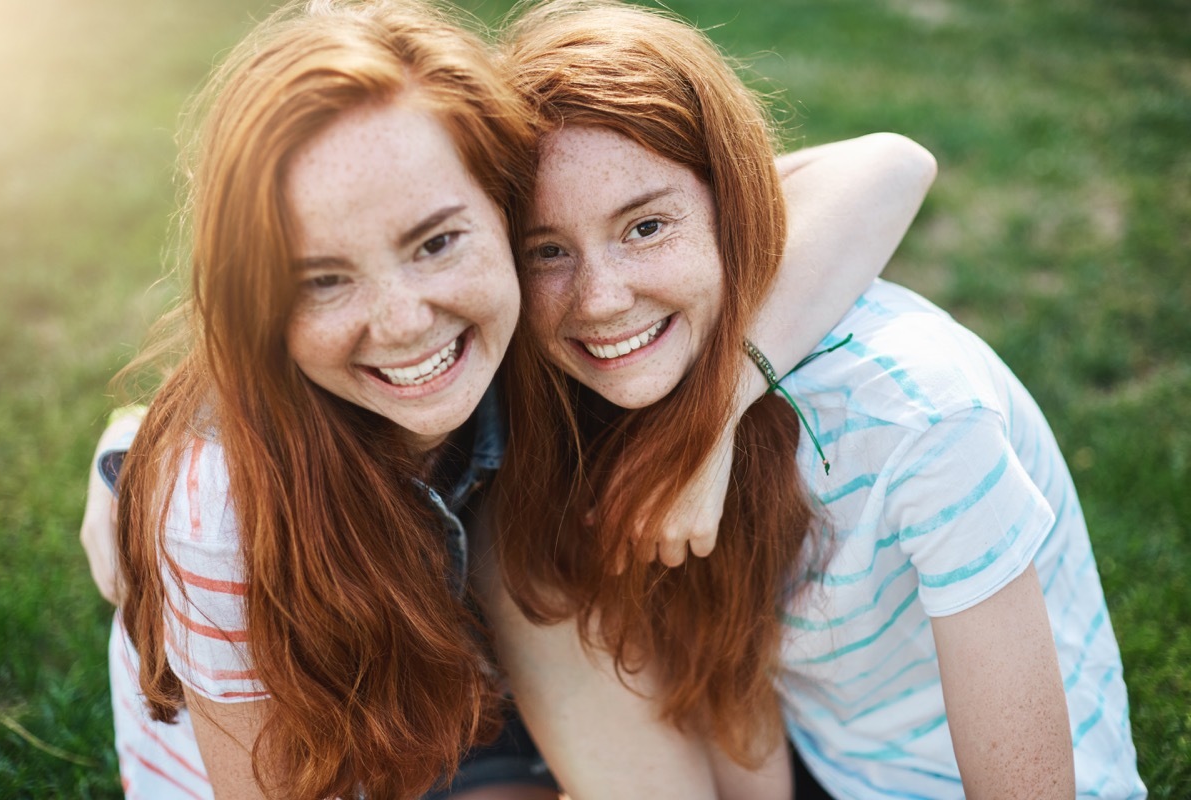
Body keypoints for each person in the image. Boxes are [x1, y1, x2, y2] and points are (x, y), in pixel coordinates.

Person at [79, 0, 938, 797]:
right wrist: (141, 464)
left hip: (496, 689)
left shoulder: (552, 289)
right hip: (336, 753)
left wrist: (717, 414)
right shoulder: (219, 510)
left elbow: (886, 167)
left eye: (436, 243)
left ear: (508, 207)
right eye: (325, 279)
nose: (404, 322)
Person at [483, 2, 1147, 799]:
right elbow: (728, 682)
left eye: (647, 227)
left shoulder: (912, 415)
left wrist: (709, 422)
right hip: (823, 763)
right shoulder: (602, 393)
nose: (599, 299)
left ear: (734, 206)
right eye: (547, 251)